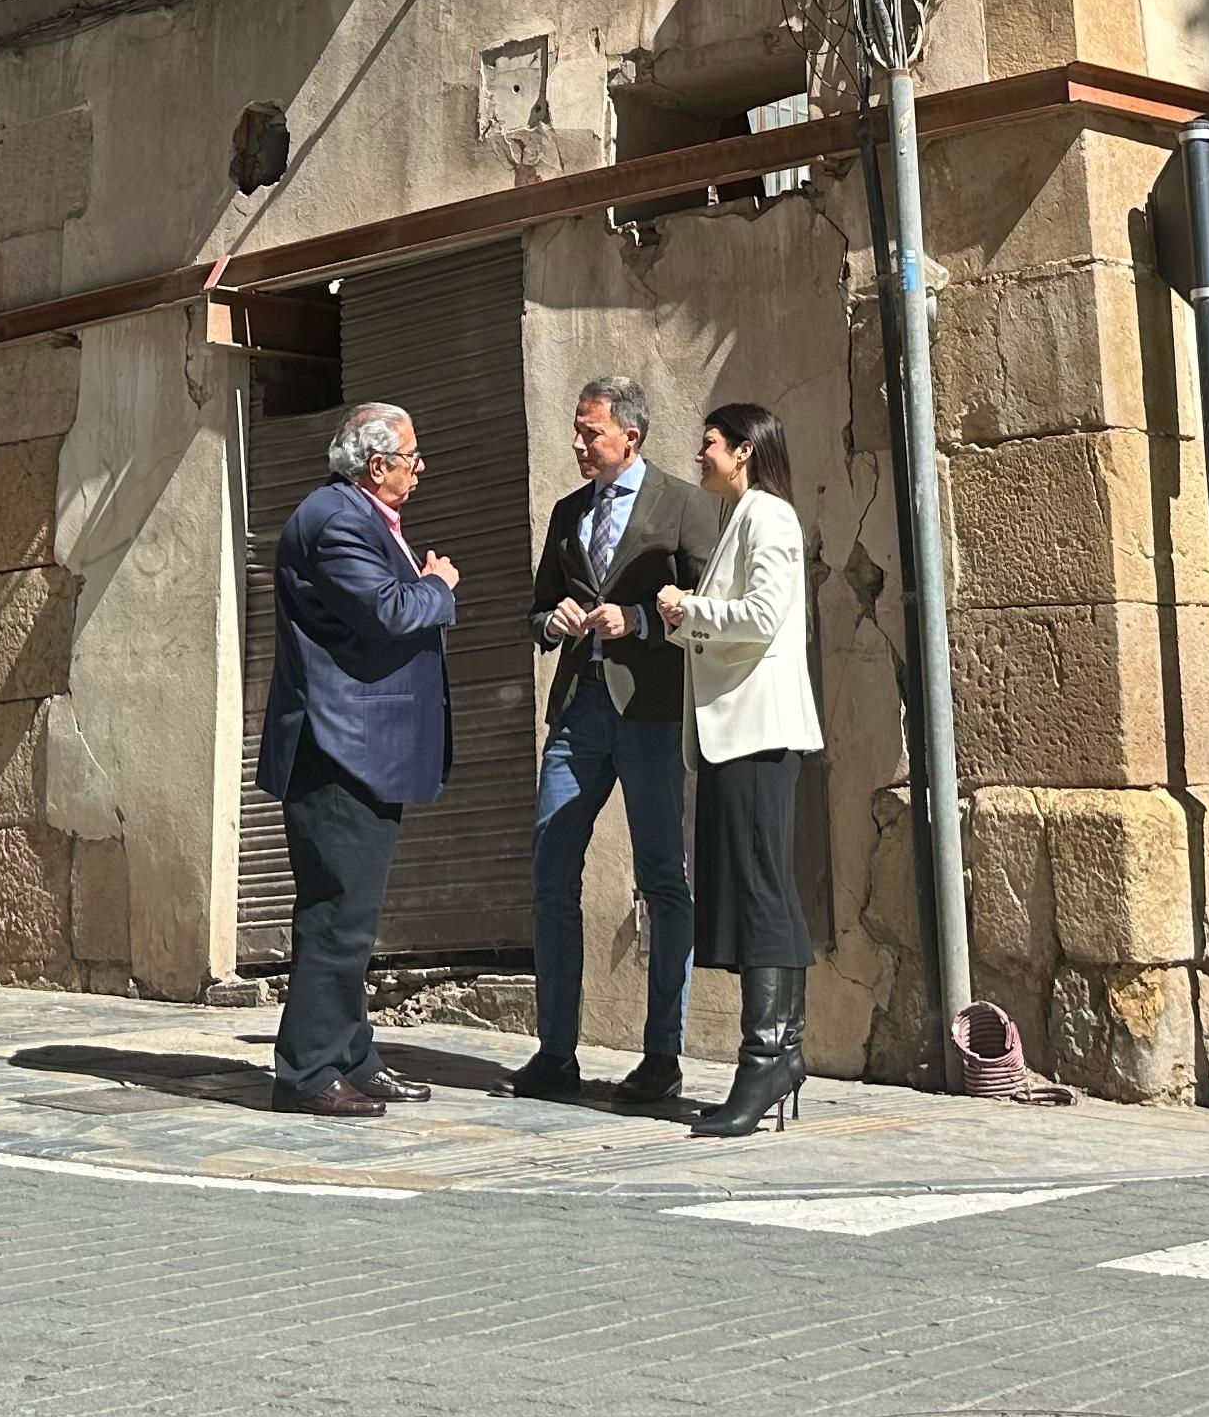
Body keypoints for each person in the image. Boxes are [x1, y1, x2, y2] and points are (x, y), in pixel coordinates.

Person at [506, 374, 717, 1107]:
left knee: (662, 877)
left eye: (590, 431)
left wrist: (644, 623)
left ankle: (663, 1055)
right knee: (550, 870)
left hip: (651, 711)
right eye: (576, 428)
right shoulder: (568, 512)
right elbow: (534, 612)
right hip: (578, 711)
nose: (578, 443)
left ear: (629, 435)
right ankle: (555, 1052)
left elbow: (710, 609)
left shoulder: (684, 506)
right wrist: (553, 623)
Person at [254, 403, 460, 1117]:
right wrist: (438, 584)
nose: (420, 467)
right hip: (338, 748)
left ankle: (352, 1054)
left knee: (353, 914)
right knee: (336, 914)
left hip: (361, 747)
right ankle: (306, 1071)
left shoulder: (355, 515)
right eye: (411, 456)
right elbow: (389, 611)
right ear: (377, 467)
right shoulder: (336, 520)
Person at [655, 400, 821, 1138]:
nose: (700, 454)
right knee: (754, 894)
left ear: (745, 450)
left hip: (758, 734)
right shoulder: (742, 518)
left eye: (710, 443)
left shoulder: (769, 518)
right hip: (732, 737)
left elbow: (763, 615)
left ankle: (771, 1057)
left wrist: (688, 610)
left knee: (764, 896)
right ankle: (772, 1057)